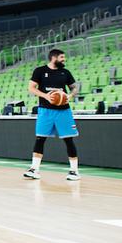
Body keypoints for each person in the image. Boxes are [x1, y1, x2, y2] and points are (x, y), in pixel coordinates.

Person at [24, 49, 80, 181]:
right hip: (45, 110)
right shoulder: (40, 71)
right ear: (53, 57)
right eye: (62, 57)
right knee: (40, 139)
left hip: (63, 111)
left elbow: (74, 87)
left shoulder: (65, 72)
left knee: (68, 140)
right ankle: (34, 169)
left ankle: (74, 171)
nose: (64, 60)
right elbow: (31, 88)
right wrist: (46, 96)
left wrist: (70, 96)